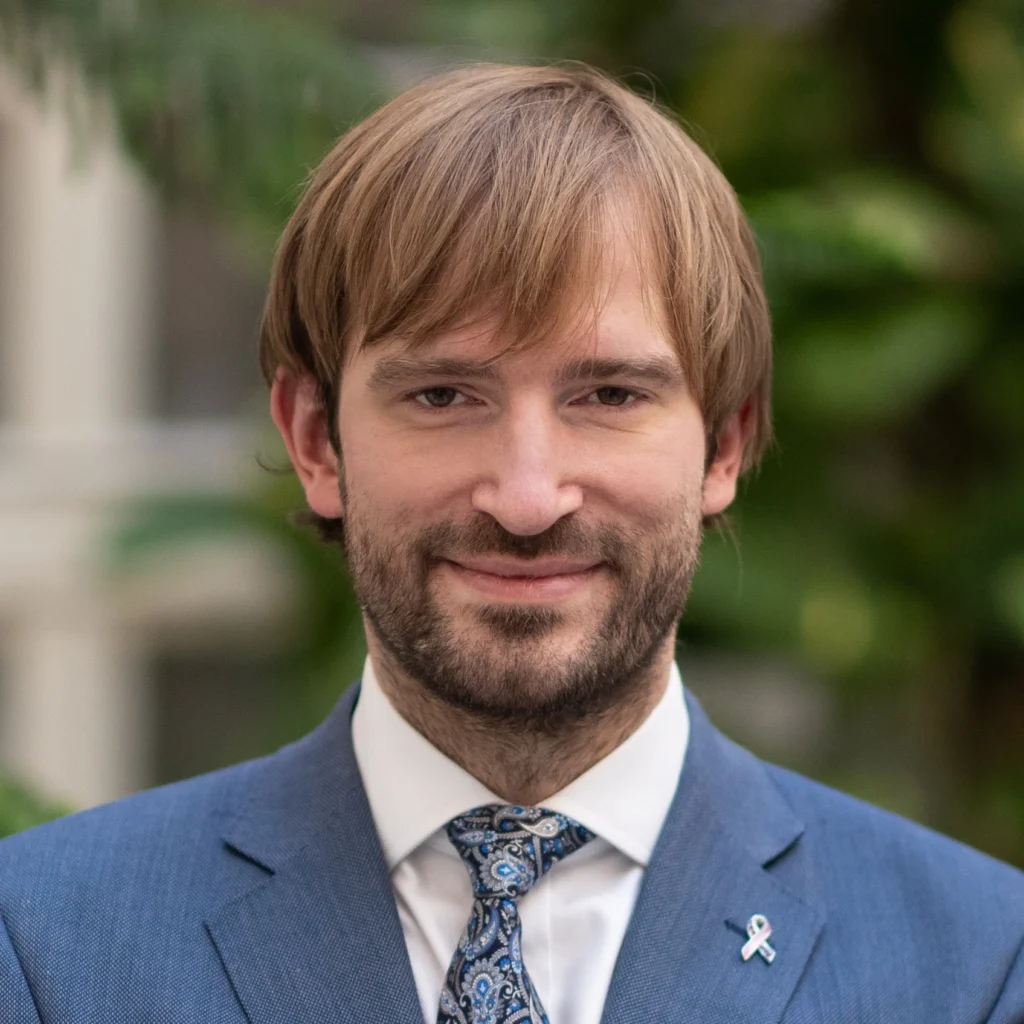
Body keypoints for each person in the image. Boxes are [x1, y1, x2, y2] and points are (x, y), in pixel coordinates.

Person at [1, 62, 1022, 1024]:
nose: (528, 498)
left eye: (609, 394)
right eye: (443, 395)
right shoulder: (46, 947)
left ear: (724, 443)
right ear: (315, 441)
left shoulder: (976, 967)